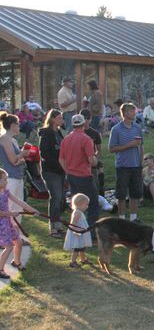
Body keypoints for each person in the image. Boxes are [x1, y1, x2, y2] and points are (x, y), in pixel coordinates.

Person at [59, 114, 100, 228]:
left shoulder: (66, 139)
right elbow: (92, 160)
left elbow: (61, 159)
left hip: (71, 175)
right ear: (84, 124)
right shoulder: (86, 139)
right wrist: (96, 160)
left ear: (72, 125)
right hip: (84, 175)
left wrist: (67, 171)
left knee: (76, 204)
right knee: (92, 203)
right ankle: (91, 231)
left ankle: (77, 227)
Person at [0, 168, 41, 278]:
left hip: (7, 222)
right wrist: (10, 214)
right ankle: (0, 269)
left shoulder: (6, 192)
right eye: (4, 180)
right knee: (8, 246)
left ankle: (16, 262)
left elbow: (19, 202)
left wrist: (32, 210)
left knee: (18, 242)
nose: (6, 182)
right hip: (1, 224)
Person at [108, 103, 143, 222]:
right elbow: (111, 149)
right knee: (121, 194)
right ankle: (121, 218)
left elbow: (141, 146)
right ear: (126, 113)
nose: (135, 113)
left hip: (136, 165)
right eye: (133, 112)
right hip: (122, 166)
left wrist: (141, 162)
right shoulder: (116, 129)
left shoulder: (137, 127)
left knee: (135, 194)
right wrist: (129, 145)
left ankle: (134, 217)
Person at [0, 112, 30, 241]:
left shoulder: (13, 140)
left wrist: (22, 156)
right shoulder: (5, 139)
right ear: (12, 125)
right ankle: (5, 236)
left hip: (18, 177)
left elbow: (18, 160)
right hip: (10, 178)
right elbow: (13, 160)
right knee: (10, 208)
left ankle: (16, 236)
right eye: (18, 124)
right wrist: (23, 154)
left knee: (18, 209)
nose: (19, 126)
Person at [38, 109, 66, 237]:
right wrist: (57, 163)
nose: (61, 120)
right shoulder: (47, 134)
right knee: (55, 197)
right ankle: (52, 227)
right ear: (53, 119)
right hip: (50, 170)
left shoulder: (58, 133)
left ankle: (58, 225)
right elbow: (44, 153)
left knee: (60, 198)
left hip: (60, 170)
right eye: (59, 118)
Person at [63, 193, 93, 268]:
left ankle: (83, 259)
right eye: (85, 204)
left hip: (80, 233)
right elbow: (73, 224)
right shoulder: (77, 213)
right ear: (79, 204)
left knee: (82, 247)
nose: (87, 206)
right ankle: (72, 262)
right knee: (77, 249)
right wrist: (76, 231)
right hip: (77, 234)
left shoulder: (80, 212)